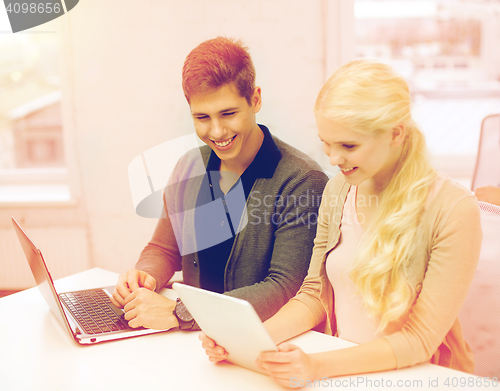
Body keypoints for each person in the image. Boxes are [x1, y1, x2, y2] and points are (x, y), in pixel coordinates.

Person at [201, 59, 482, 386]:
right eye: (327, 143)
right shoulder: (339, 189)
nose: (333, 159)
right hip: (344, 369)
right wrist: (248, 342)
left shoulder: (454, 209)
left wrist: (317, 366)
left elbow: (418, 339)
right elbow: (315, 294)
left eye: (348, 145)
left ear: (396, 133)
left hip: (419, 377)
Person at [110, 37, 328, 331]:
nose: (216, 131)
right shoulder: (189, 166)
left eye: (228, 113)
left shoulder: (302, 181)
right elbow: (163, 248)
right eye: (202, 117)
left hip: (261, 345)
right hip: (197, 342)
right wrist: (144, 275)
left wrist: (182, 313)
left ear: (255, 99)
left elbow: (285, 288)